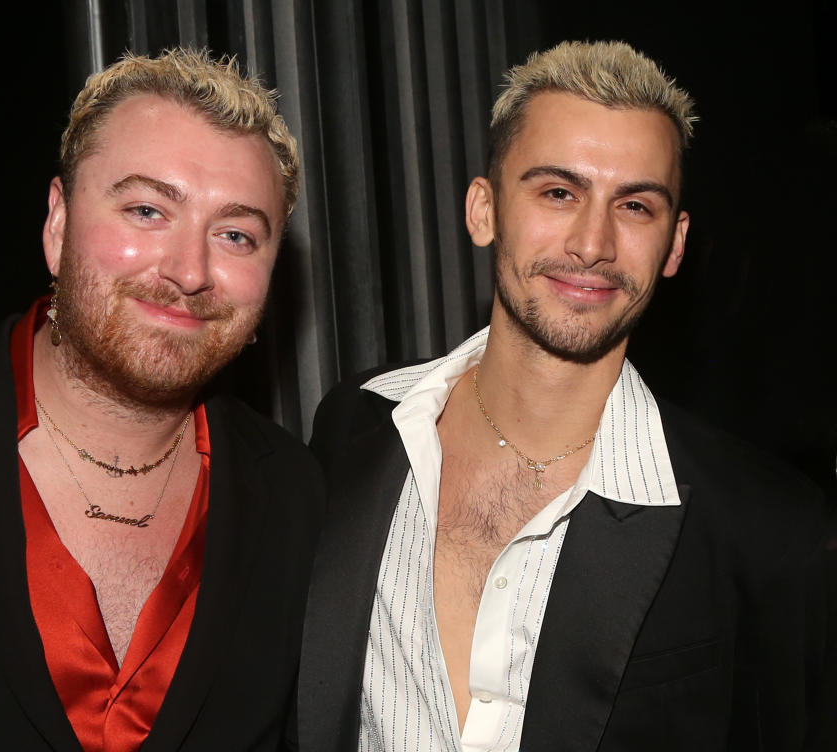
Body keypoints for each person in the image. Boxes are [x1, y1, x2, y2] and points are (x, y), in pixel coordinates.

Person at [298, 41, 833, 751]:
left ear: (673, 246)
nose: (592, 244)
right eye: (558, 192)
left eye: (635, 206)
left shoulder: (770, 532)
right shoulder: (356, 427)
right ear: (484, 210)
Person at [0, 48, 322, 750]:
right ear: (58, 224)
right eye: (147, 210)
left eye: (235, 234)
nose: (189, 270)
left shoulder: (301, 506)